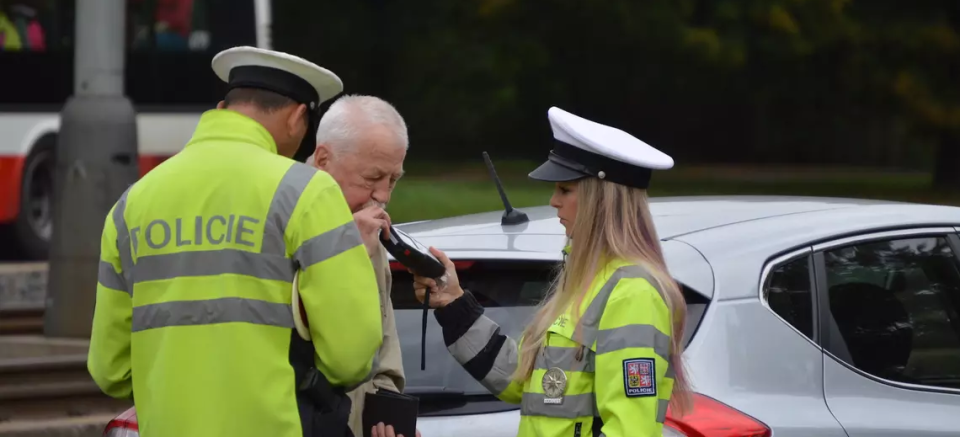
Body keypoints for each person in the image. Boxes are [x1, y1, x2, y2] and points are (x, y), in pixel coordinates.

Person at [87, 46, 384, 437]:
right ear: (298, 117)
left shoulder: (132, 204)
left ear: (223, 107)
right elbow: (351, 356)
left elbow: (110, 370)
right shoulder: (308, 193)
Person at [409, 107, 693, 437]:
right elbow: (528, 383)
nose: (553, 201)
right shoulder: (590, 278)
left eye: (565, 190)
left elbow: (631, 430)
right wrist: (454, 303)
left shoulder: (633, 291)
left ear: (601, 199)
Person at [307, 94, 409, 437]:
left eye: (393, 180)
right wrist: (345, 256)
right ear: (323, 159)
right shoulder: (282, 221)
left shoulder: (366, 230)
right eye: (372, 178)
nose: (384, 196)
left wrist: (390, 415)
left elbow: (385, 355)